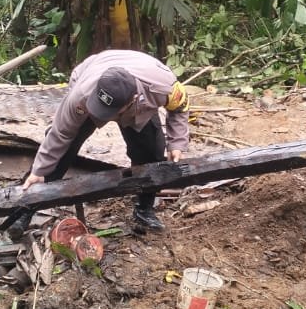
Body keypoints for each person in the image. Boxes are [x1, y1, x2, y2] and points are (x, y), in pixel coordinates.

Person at [17, 49, 190, 233]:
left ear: (130, 102)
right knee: (63, 149)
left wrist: (177, 143)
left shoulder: (163, 86)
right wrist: (39, 170)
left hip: (141, 99)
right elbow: (59, 134)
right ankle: (24, 208)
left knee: (151, 152)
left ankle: (144, 209)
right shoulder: (81, 95)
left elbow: (180, 107)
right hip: (90, 74)